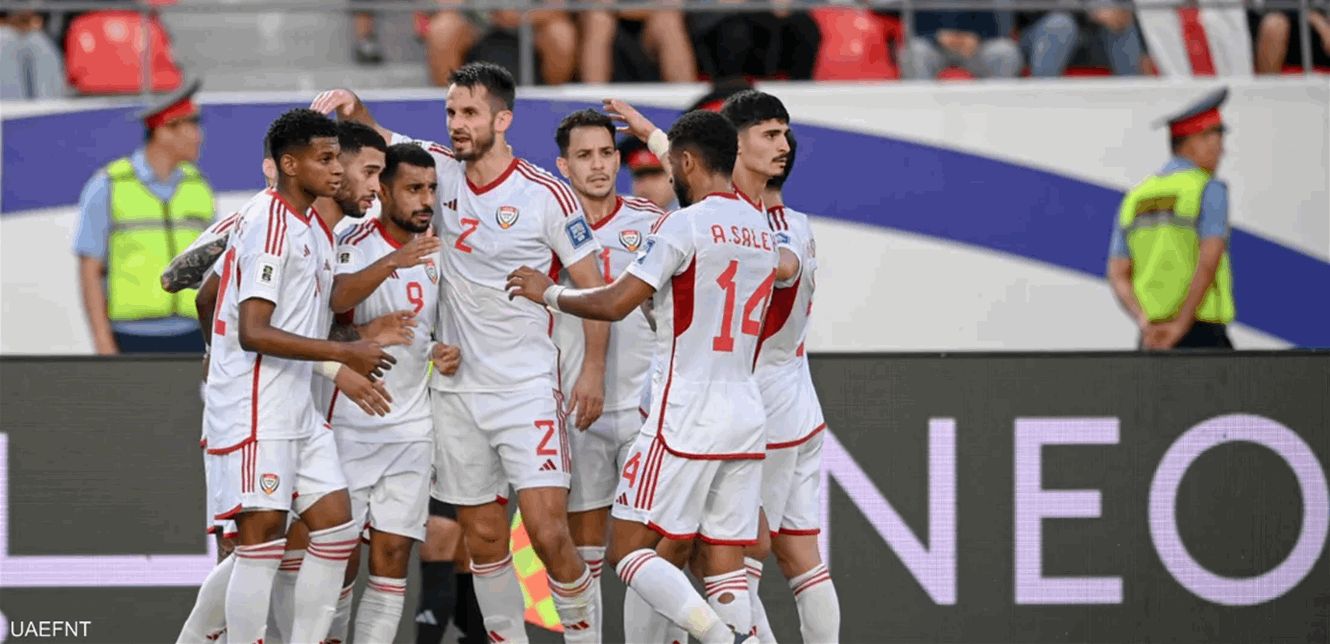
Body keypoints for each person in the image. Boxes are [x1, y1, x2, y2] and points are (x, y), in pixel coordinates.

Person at [310, 61, 608, 643]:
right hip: (455, 391)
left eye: (469, 112)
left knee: (548, 533)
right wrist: (352, 104)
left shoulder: (545, 194)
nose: (456, 124)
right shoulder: (438, 171)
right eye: (450, 112)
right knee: (485, 538)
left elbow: (594, 288)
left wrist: (592, 369)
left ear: (503, 119)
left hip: (525, 387)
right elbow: (378, 141)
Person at [506, 108, 774, 644]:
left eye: (671, 163)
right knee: (724, 564)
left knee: (628, 551)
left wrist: (548, 292)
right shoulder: (759, 228)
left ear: (687, 162)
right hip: (745, 413)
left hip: (682, 415)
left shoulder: (679, 224)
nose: (667, 174)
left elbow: (613, 303)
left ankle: (721, 639)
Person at [203, 108, 393, 644]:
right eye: (325, 159)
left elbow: (216, 298)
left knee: (336, 527)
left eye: (338, 158)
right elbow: (253, 331)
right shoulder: (267, 221)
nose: (337, 169)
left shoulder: (313, 228)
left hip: (297, 404)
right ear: (290, 165)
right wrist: (343, 354)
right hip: (257, 405)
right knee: (260, 543)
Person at [324, 142, 462, 643]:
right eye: (413, 189)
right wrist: (391, 266)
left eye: (431, 189)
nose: (425, 200)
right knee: (339, 557)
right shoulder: (350, 241)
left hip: (411, 425)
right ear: (383, 190)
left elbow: (429, 329)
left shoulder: (437, 252)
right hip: (350, 424)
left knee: (393, 555)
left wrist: (441, 352)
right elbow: (328, 311)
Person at [550, 108, 666, 641]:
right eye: (584, 155)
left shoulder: (653, 220)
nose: (597, 165)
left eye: (605, 153)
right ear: (564, 165)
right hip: (578, 409)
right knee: (584, 551)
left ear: (619, 160)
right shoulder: (548, 225)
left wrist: (651, 134)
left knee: (647, 554)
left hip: (646, 409)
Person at [756, 132, 841, 643]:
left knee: (735, 558)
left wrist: (728, 251)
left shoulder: (772, 227)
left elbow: (784, 266)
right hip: (796, 402)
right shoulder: (798, 221)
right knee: (801, 555)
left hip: (767, 411)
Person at [74, 77, 216, 355]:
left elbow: (214, 267)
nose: (199, 136)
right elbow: (90, 270)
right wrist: (103, 343)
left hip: (194, 334)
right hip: (130, 336)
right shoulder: (109, 184)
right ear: (164, 130)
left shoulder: (199, 185)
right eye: (192, 124)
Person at [1108, 88, 1236, 350]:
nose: (1222, 150)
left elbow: (1117, 273)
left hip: (1153, 338)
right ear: (1194, 140)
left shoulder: (1136, 197)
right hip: (1202, 334)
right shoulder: (1208, 189)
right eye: (1217, 138)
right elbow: (1209, 261)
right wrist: (1180, 324)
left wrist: (1143, 320)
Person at [618, 136, 678, 211]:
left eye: (654, 173)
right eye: (639, 175)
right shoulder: (625, 215)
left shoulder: (690, 215)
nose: (646, 184)